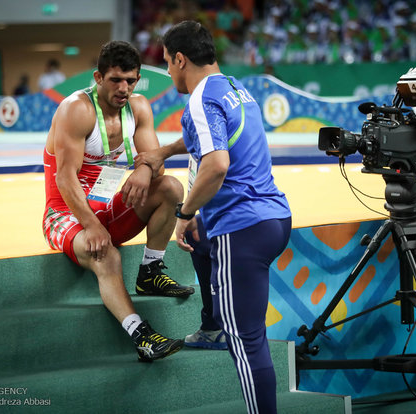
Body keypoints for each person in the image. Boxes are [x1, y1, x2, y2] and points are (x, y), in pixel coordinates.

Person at [135, 21, 292, 414]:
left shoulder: (200, 99)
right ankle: (210, 323)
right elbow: (209, 136)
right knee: (201, 242)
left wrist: (184, 213)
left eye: (169, 63)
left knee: (245, 340)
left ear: (181, 59)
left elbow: (216, 163)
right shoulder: (235, 88)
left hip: (242, 230)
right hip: (274, 218)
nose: (169, 71)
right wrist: (165, 151)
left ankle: (221, 333)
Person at [42, 40, 195, 362]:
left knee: (169, 187)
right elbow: (65, 178)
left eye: (131, 80)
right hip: (65, 214)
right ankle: (142, 335)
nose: (124, 88)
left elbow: (157, 163)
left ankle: (151, 270)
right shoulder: (77, 110)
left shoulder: (138, 107)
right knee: (106, 255)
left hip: (107, 210)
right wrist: (91, 225)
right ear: (98, 78)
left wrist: (142, 171)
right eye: (115, 80)